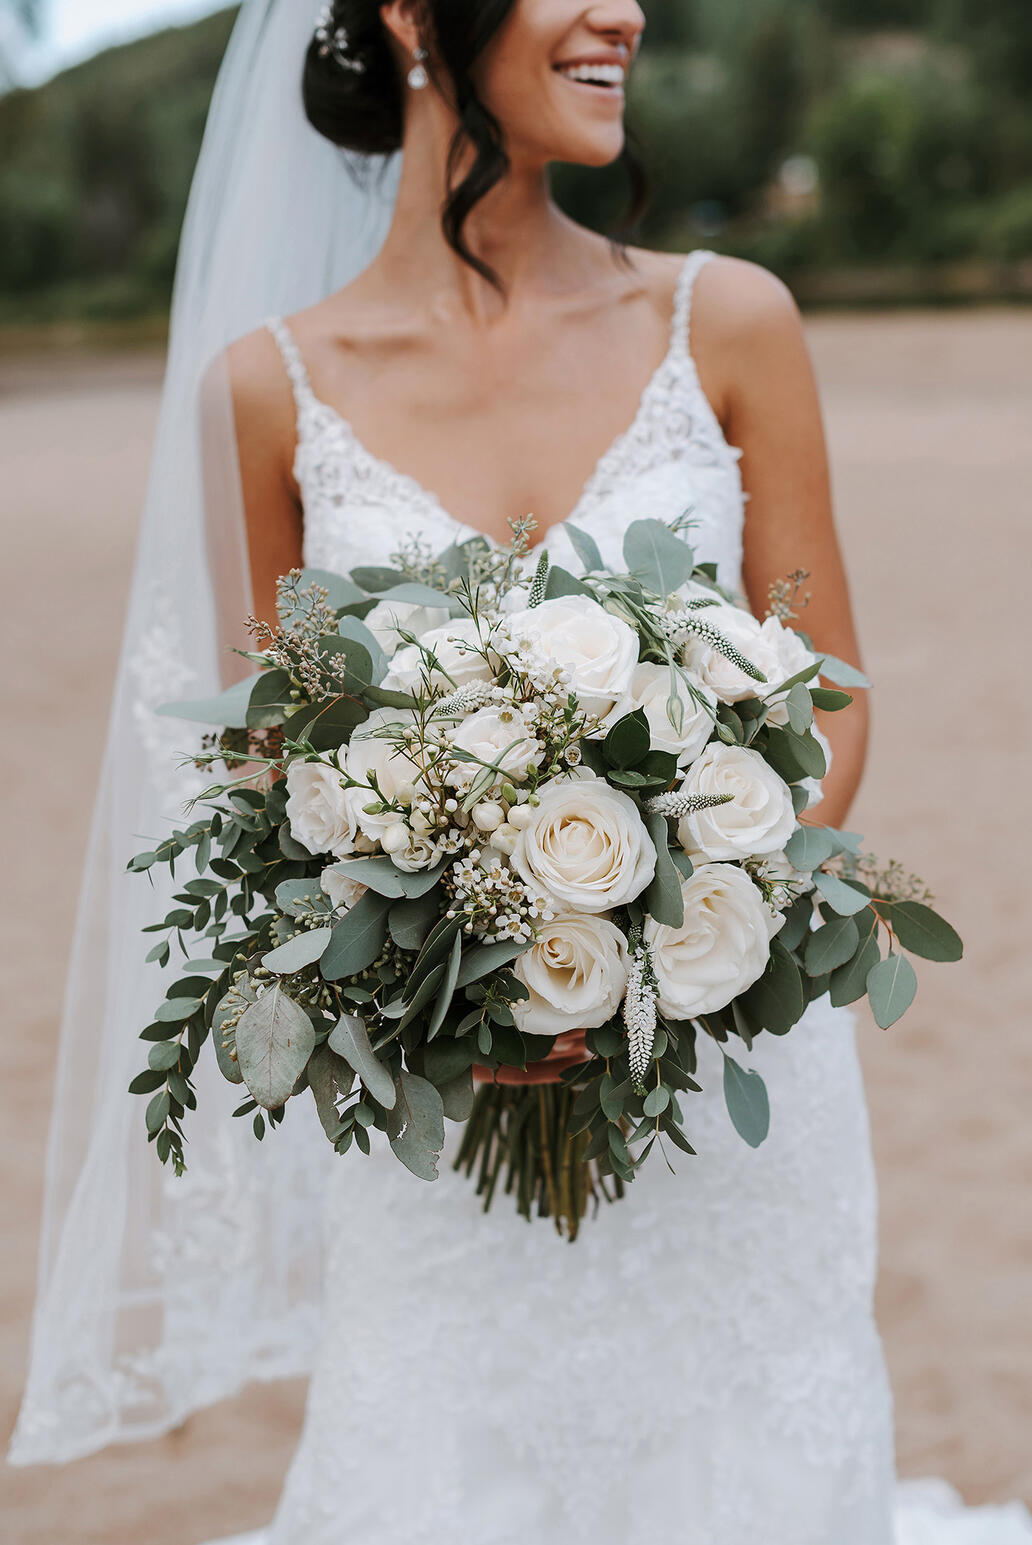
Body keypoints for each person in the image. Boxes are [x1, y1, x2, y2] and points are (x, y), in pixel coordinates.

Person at [11, 3, 1032, 1542]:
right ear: (415, 14)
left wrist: (677, 944)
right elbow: (275, 767)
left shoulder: (731, 319)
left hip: (725, 1065)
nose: (624, 8)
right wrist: (455, 974)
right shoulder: (269, 392)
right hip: (447, 1116)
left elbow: (826, 690)